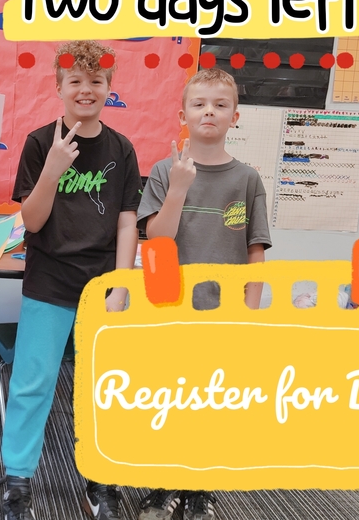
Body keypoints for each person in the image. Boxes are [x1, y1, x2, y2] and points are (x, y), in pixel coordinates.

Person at [0, 40, 142, 520]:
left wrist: (122, 286)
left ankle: (100, 480)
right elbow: (33, 221)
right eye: (75, 81)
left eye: (96, 81)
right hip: (50, 282)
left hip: (102, 285)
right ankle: (18, 480)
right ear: (59, 87)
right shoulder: (41, 143)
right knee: (32, 382)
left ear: (110, 87)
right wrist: (54, 170)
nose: (86, 89)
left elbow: (127, 222)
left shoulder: (121, 149)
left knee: (100, 386)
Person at [135, 67, 271, 520]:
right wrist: (177, 187)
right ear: (183, 114)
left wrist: (250, 313)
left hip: (225, 314)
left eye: (220, 104)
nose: (209, 111)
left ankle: (200, 488)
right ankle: (160, 482)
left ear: (235, 116)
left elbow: (256, 250)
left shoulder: (247, 179)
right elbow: (157, 240)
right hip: (169, 311)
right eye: (199, 104)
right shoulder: (163, 170)